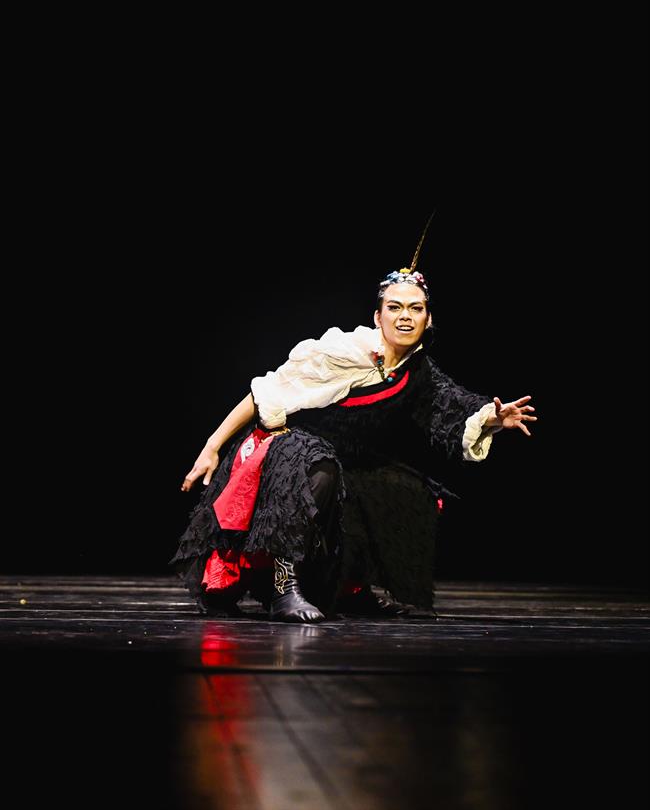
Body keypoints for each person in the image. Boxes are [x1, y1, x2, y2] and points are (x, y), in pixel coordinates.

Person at [170, 228, 536, 623]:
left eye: (415, 308)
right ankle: (282, 588)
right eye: (395, 307)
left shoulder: (417, 371)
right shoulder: (345, 352)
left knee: (396, 486)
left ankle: (350, 588)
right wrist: (212, 446)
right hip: (285, 453)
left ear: (428, 319)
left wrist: (492, 417)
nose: (405, 316)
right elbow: (265, 393)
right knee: (320, 467)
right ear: (379, 317)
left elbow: (452, 405)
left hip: (338, 460)